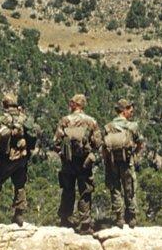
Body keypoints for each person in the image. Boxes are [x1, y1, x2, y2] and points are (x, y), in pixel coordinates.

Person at [0, 92, 38, 225]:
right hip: (22, 158)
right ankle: (19, 215)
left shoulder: (1, 118)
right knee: (20, 185)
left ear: (4, 104)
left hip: (5, 157)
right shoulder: (24, 118)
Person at [54, 93, 102, 234]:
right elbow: (98, 142)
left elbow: (56, 142)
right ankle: (85, 224)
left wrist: (64, 154)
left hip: (68, 161)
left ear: (74, 104)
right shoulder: (91, 121)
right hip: (84, 162)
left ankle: (65, 220)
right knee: (85, 191)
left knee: (68, 189)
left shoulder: (65, 120)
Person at [103, 98, 145, 227]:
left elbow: (104, 147)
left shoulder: (108, 127)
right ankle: (131, 217)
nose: (131, 113)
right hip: (127, 161)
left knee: (115, 188)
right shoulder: (132, 126)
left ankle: (118, 218)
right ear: (124, 111)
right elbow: (140, 143)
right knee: (130, 187)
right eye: (130, 110)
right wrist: (135, 154)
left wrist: (107, 163)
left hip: (112, 162)